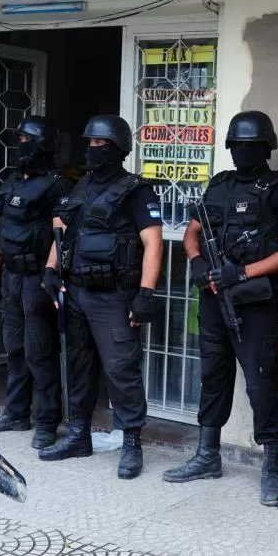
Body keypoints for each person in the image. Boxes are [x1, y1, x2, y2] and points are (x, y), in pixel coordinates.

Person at [162, 110, 278, 508]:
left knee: (262, 383)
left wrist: (240, 273)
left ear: (265, 148)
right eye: (238, 145)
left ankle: (271, 469)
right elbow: (193, 234)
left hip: (255, 303)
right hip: (212, 298)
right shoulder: (219, 185)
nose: (243, 151)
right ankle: (208, 456)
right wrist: (196, 262)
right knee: (213, 376)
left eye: (251, 146)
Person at [37, 113, 163, 480]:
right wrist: (50, 270)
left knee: (121, 370)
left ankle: (132, 444)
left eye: (99, 144)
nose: (91, 150)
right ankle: (78, 435)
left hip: (113, 297)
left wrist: (146, 295)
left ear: (117, 149)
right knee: (78, 366)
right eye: (89, 143)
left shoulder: (136, 191)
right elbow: (63, 233)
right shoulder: (80, 186)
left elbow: (153, 244)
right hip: (75, 290)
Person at [0, 116, 73, 450]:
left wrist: (51, 271)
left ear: (43, 143)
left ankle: (47, 421)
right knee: (15, 349)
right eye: (18, 137)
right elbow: (2, 231)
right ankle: (17, 412)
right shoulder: (12, 181)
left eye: (26, 138)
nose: (21, 143)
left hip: (36, 277)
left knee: (39, 351)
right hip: (11, 276)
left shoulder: (58, 184)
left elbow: (60, 234)